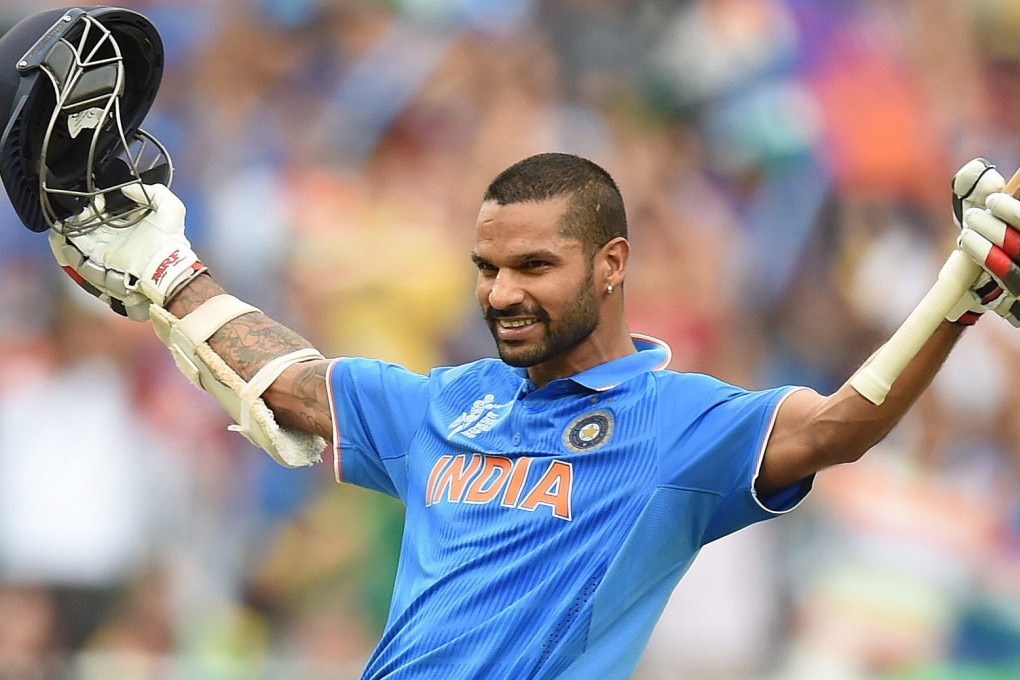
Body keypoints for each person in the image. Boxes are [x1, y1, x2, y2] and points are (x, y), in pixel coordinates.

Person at [43, 153, 1020, 678]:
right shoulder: (447, 400)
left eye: (533, 267)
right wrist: (166, 266)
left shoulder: (675, 424)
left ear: (613, 263)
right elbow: (291, 379)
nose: (502, 293)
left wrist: (958, 293)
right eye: (488, 267)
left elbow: (844, 422)